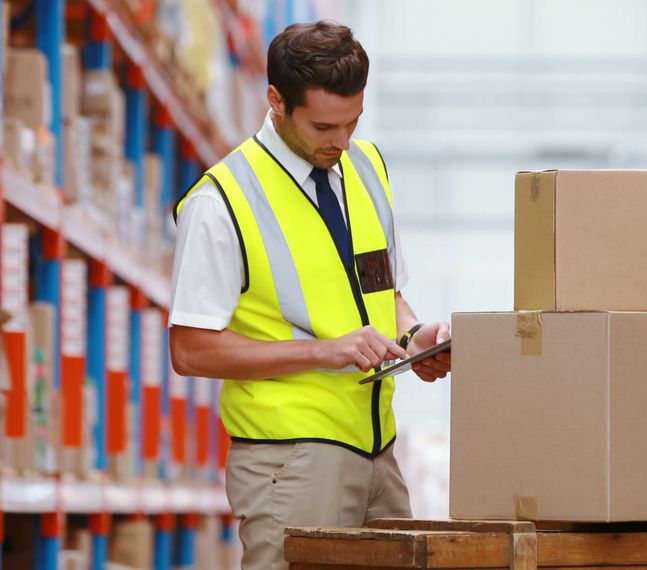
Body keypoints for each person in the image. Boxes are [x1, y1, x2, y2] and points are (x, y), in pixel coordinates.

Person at [167, 21, 451, 570]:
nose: (341, 142)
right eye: (324, 126)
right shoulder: (222, 199)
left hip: (378, 455)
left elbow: (381, 291)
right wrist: (326, 351)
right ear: (275, 101)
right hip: (290, 465)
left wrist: (418, 339)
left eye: (353, 123)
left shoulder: (366, 168)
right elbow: (191, 350)